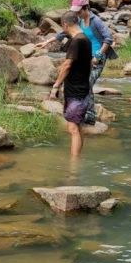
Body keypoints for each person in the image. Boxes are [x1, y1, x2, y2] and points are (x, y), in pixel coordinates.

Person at [38, 0, 116, 125]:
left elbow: (108, 38)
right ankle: (79, 110)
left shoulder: (95, 21)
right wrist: (47, 42)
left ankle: (90, 115)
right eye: (75, 11)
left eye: (79, 11)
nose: (77, 13)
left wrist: (98, 56)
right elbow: (65, 32)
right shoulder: (78, 21)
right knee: (79, 83)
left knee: (88, 83)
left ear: (86, 8)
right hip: (84, 58)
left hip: (97, 59)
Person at [49, 11, 92, 157]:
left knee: (72, 128)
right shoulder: (85, 38)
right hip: (82, 88)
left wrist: (56, 86)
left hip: (76, 91)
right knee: (77, 126)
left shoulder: (76, 41)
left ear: (65, 24)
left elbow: (67, 65)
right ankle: (78, 158)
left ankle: (74, 166)